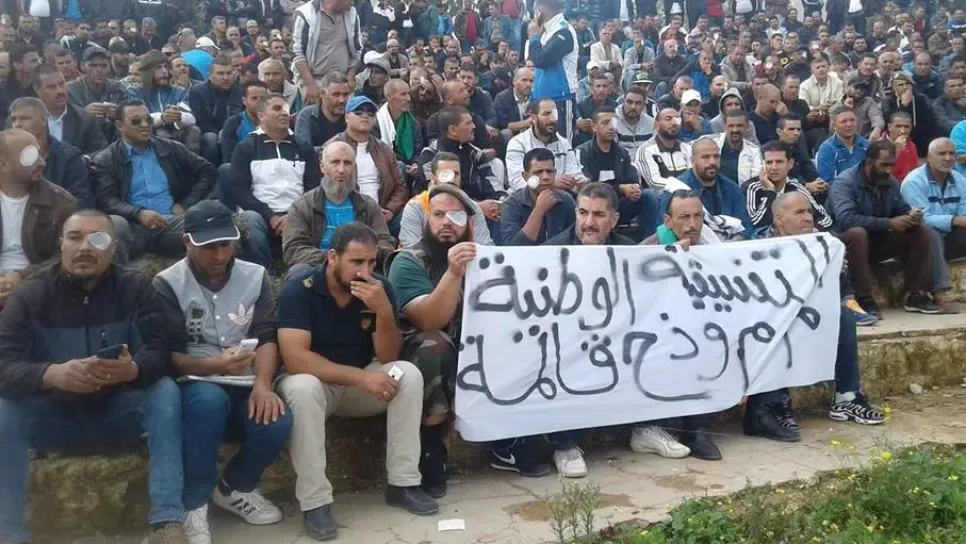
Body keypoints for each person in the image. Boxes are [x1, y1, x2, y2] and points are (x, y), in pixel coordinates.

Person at [0, 207, 184, 544]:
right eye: (75, 238)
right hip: (52, 419)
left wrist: (133, 369)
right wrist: (50, 374)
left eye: (97, 239)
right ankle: (9, 532)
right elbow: (4, 365)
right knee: (4, 408)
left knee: (164, 391)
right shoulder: (31, 294)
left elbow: (161, 351)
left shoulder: (136, 287)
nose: (84, 247)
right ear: (61, 244)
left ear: (113, 249)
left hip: (117, 414)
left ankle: (167, 522)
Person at [277, 222, 439, 541]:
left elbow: (388, 355)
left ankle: (403, 483)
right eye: (356, 262)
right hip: (316, 383)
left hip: (358, 384)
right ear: (332, 257)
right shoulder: (301, 288)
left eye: (371, 262)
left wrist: (384, 312)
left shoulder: (378, 287)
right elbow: (295, 359)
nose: (365, 271)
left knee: (408, 374)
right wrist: (362, 377)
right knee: (302, 388)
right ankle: (315, 503)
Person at [637, 189, 720, 461]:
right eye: (684, 217)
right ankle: (675, 429)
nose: (692, 224)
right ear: (668, 221)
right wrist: (672, 259)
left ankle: (698, 429)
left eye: (698, 216)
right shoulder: (648, 249)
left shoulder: (713, 246)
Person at [92, 99, 216, 264]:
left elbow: (208, 170)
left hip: (170, 223)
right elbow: (106, 200)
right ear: (120, 126)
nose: (145, 125)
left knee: (213, 218)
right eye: (136, 121)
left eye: (148, 119)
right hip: (132, 226)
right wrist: (138, 213)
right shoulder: (106, 159)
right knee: (115, 224)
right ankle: (119, 277)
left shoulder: (170, 148)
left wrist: (186, 204)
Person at [828, 139, 939, 318]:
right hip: (844, 244)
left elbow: (901, 209)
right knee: (858, 234)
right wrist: (889, 223)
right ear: (869, 162)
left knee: (921, 232)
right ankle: (863, 298)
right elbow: (845, 219)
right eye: (884, 165)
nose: (888, 170)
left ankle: (917, 295)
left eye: (892, 165)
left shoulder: (890, 182)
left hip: (876, 241)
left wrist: (911, 216)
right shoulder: (845, 182)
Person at [229, 94, 321, 269]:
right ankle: (264, 272)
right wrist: (270, 216)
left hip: (297, 212)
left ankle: (302, 266)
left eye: (286, 109)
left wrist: (293, 215)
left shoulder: (303, 147)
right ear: (261, 115)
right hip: (260, 215)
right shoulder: (246, 147)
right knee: (250, 219)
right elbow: (239, 190)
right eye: (277, 109)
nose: (285, 113)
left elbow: (313, 188)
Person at [282, 141, 395, 271]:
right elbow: (293, 250)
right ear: (322, 167)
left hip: (363, 269)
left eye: (347, 163)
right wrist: (337, 260)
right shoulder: (302, 206)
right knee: (298, 272)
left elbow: (385, 243)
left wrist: (360, 258)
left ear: (354, 168)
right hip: (320, 269)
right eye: (335, 162)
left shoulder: (368, 205)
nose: (341, 170)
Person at [326, 95, 409, 234]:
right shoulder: (332, 148)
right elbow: (328, 187)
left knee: (411, 218)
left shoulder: (384, 149)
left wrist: (390, 210)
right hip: (348, 212)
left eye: (370, 113)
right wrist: (363, 210)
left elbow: (400, 187)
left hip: (383, 213)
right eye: (358, 112)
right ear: (346, 117)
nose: (365, 116)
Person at [901, 138, 966, 311]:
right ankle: (940, 294)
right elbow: (922, 219)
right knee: (930, 233)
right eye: (942, 154)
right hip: (917, 241)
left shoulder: (959, 180)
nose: (948, 158)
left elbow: (964, 213)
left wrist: (958, 220)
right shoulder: (914, 182)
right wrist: (954, 220)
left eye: (952, 154)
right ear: (929, 157)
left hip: (948, 238)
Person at [577, 106, 659, 239]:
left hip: (618, 206)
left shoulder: (622, 152)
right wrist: (620, 188)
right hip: (593, 207)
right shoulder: (582, 152)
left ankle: (650, 241)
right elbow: (587, 187)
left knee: (648, 196)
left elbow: (632, 179)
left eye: (614, 123)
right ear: (594, 127)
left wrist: (634, 190)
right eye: (605, 123)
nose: (611, 127)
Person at [418, 107, 504, 232]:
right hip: (440, 213)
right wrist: (476, 207)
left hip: (478, 208)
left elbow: (490, 182)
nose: (474, 126)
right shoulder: (430, 154)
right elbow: (433, 192)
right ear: (453, 130)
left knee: (499, 215)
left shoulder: (475, 153)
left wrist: (501, 200)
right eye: (469, 123)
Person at [7, 97, 94, 207]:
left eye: (24, 118)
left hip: (57, 215)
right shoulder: (5, 156)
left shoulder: (69, 156)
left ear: (44, 120)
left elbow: (83, 201)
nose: (17, 124)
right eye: (14, 119)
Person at [661, 136, 753, 239]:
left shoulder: (733, 189)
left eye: (716, 156)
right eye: (705, 157)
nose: (712, 162)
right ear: (693, 161)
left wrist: (733, 242)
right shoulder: (675, 189)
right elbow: (663, 229)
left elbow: (745, 226)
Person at [398, 151, 494, 248]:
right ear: (433, 178)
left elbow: (485, 246)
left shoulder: (472, 207)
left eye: (456, 174)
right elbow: (410, 248)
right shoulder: (416, 206)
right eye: (445, 174)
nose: (451, 179)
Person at [741, 140, 833, 234]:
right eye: (769, 162)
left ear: (790, 164)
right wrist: (770, 193)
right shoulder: (752, 188)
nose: (774, 167)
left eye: (779, 162)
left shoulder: (795, 186)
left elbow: (825, 219)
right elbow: (753, 225)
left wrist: (812, 230)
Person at [506, 98, 586, 192]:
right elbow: (517, 182)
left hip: (559, 196)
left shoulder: (564, 143)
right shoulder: (517, 143)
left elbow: (574, 173)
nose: (552, 119)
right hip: (525, 198)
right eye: (546, 114)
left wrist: (581, 182)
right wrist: (551, 184)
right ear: (533, 118)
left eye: (554, 114)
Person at [291, 0, 362, 105]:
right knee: (312, 114)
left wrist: (351, 75)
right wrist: (310, 84)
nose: (352, 3)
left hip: (343, 81)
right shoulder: (305, 13)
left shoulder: (352, 13)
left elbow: (357, 49)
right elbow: (297, 52)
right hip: (314, 79)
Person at [500, 148, 576, 245]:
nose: (545, 177)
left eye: (549, 171)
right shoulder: (511, 205)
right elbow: (512, 249)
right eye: (538, 172)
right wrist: (539, 211)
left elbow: (576, 239)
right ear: (525, 176)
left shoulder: (566, 200)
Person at [526, 0, 579, 142]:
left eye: (534, 12)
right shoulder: (546, 32)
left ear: (539, 12)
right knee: (541, 146)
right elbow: (539, 71)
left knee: (563, 145)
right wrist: (532, 98)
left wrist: (533, 37)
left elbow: (541, 60)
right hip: (541, 101)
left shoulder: (564, 30)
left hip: (560, 100)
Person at [130, 50, 200, 154]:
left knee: (194, 130)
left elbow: (191, 117)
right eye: (158, 67)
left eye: (166, 67)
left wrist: (179, 116)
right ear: (148, 71)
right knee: (161, 134)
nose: (164, 71)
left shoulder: (179, 91)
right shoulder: (135, 91)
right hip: (150, 133)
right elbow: (136, 118)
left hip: (177, 130)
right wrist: (162, 118)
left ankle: (190, 163)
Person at [31, 63, 108, 156]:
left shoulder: (84, 119)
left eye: (62, 84)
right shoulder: (26, 117)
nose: (59, 91)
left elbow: (101, 151)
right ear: (37, 90)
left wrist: (81, 160)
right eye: (51, 87)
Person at [188, 53, 243, 166]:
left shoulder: (240, 92)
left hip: (234, 130)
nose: (225, 77)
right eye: (220, 73)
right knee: (211, 139)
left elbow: (242, 117)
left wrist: (227, 131)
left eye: (229, 73)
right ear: (210, 75)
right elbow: (200, 120)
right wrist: (219, 133)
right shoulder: (197, 92)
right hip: (208, 132)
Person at [66, 46, 127, 139]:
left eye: (104, 66)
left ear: (110, 67)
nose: (99, 70)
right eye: (93, 65)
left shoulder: (118, 88)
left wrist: (119, 114)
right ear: (82, 66)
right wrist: (83, 114)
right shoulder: (70, 90)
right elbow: (63, 122)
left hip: (113, 138)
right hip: (82, 140)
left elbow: (129, 117)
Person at [374, 79, 424, 178]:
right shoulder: (376, 122)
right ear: (389, 97)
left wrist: (415, 164)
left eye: (408, 94)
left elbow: (418, 150)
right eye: (403, 94)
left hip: (410, 168)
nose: (408, 98)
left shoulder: (414, 122)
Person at [634, 108, 693, 191]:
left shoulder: (687, 148)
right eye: (668, 119)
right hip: (660, 196)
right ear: (656, 125)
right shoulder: (646, 150)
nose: (674, 123)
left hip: (688, 194)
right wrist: (682, 188)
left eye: (677, 119)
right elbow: (654, 182)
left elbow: (693, 176)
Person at [293, 71, 350, 151]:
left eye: (345, 95)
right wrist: (329, 147)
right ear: (322, 93)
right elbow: (302, 150)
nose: (342, 100)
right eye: (336, 94)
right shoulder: (307, 115)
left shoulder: (352, 116)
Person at [816, 105, 870, 184]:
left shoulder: (867, 145)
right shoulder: (826, 148)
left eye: (852, 120)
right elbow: (827, 181)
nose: (849, 124)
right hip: (838, 190)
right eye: (843, 121)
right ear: (834, 126)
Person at [712, 110, 762, 186]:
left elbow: (756, 179)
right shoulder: (710, 144)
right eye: (731, 126)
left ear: (747, 127)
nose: (735, 130)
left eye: (739, 126)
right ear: (724, 127)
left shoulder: (755, 152)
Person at [493, 67, 534, 141]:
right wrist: (528, 122)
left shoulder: (534, 98)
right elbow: (504, 126)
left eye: (531, 81)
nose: (528, 84)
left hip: (531, 137)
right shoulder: (501, 98)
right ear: (514, 81)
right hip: (512, 138)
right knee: (506, 133)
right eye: (524, 80)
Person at [613, 85, 655, 154]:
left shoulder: (651, 123)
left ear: (644, 105)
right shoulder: (612, 121)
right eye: (629, 102)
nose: (633, 107)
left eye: (638, 103)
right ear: (623, 101)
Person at [883, 111, 918, 183]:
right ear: (889, 127)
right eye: (898, 126)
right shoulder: (877, 145)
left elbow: (915, 171)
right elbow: (881, 174)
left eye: (906, 127)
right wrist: (895, 149)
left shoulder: (912, 145)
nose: (903, 131)